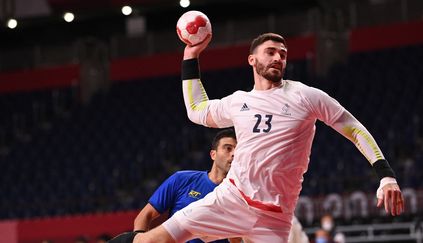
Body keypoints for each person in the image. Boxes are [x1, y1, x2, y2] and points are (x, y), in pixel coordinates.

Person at [109, 32, 404, 243]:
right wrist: (191, 55)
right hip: (231, 200)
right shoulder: (238, 102)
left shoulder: (306, 96)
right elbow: (196, 110)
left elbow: (353, 128)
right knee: (150, 241)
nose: (278, 57)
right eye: (271, 52)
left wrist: (386, 175)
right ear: (252, 59)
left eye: (283, 54)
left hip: (275, 219)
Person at [133, 128, 239, 243]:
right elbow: (145, 215)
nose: (233, 154)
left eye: (238, 151)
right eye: (228, 148)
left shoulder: (241, 195)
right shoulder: (182, 179)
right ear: (213, 154)